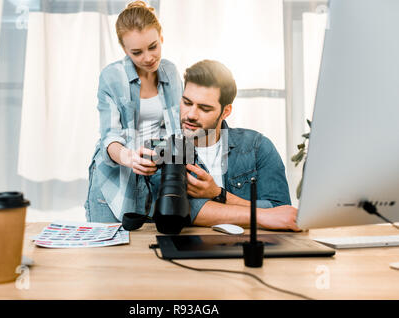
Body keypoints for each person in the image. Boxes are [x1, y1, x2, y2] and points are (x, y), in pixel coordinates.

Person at [85, 1, 183, 223]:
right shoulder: (111, 77)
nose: (148, 58)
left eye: (153, 46)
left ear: (161, 37)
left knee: (152, 252)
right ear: (124, 49)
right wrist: (129, 157)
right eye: (137, 52)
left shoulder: (171, 71)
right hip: (115, 179)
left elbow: (179, 130)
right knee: (110, 254)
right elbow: (109, 136)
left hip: (159, 176)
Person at [181, 60, 300, 231]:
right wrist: (261, 215)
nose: (191, 114)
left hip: (250, 246)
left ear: (226, 111)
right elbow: (187, 211)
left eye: (204, 108)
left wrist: (217, 194)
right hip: (189, 249)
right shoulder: (168, 149)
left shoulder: (257, 147)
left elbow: (281, 211)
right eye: (186, 102)